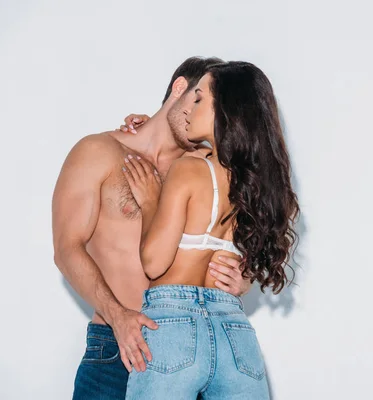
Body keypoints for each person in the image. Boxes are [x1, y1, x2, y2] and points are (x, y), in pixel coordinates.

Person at [52, 56, 252, 400]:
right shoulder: (98, 151)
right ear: (180, 89)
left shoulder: (209, 168)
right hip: (116, 346)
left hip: (192, 349)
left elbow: (252, 232)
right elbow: (67, 248)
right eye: (200, 100)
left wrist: (244, 276)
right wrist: (118, 316)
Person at [122, 61, 299, 399]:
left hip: (173, 326)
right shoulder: (260, 183)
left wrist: (150, 203)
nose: (188, 106)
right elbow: (254, 263)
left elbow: (154, 263)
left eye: (199, 99)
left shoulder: (188, 169)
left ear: (226, 112)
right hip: (234, 331)